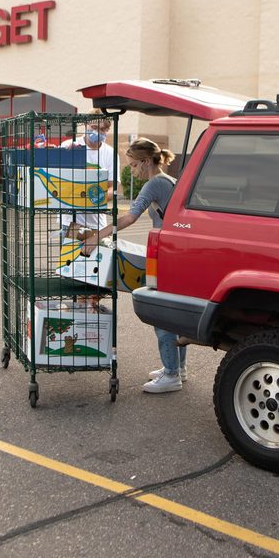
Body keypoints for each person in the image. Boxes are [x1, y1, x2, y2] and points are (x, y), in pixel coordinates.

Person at [83, 138, 186, 394]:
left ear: (146, 161)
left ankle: (172, 374)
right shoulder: (169, 181)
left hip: (167, 255)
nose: (132, 170)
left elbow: (130, 216)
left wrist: (97, 237)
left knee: (161, 312)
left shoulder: (155, 183)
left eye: (134, 165)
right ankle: (177, 368)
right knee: (174, 313)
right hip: (176, 253)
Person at [59, 111, 116, 236]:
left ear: (107, 130)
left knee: (97, 255)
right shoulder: (69, 146)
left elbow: (113, 187)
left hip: (97, 223)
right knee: (71, 255)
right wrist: (67, 156)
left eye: (102, 129)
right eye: (94, 127)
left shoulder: (110, 153)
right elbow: (59, 180)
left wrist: (93, 200)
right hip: (70, 221)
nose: (97, 132)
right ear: (85, 125)